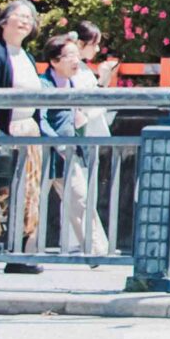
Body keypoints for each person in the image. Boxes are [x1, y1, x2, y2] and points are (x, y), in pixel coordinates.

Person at [0, 0, 48, 272]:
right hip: (7, 131)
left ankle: (22, 248)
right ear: (4, 20)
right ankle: (5, 247)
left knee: (29, 193)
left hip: (28, 131)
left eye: (30, 17)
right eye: (20, 15)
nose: (26, 21)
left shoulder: (26, 56)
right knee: (3, 193)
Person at [40, 32, 110, 253]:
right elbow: (40, 119)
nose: (75, 60)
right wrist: (59, 144)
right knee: (33, 202)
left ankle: (96, 250)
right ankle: (24, 252)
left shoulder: (71, 83)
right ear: (54, 61)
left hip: (69, 152)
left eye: (75, 55)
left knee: (81, 200)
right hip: (46, 152)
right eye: (68, 55)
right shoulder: (43, 85)